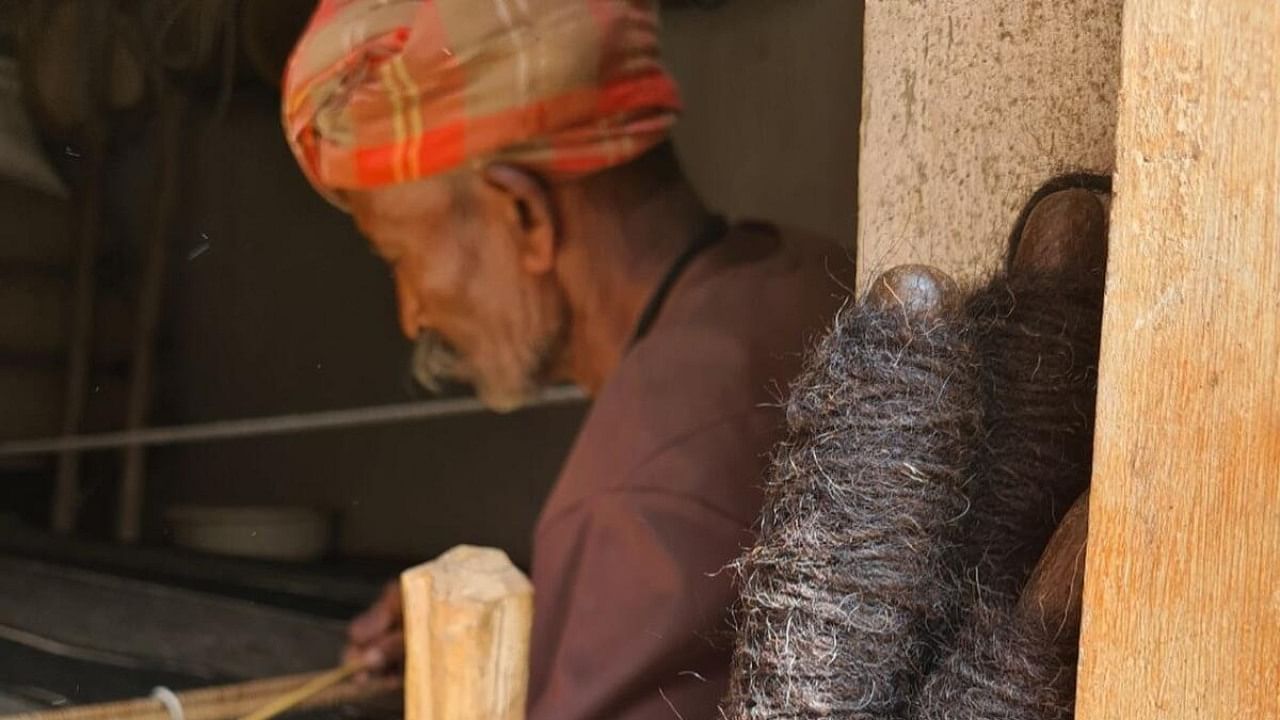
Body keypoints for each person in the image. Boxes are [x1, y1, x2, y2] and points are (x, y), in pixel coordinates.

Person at [281, 1, 853, 718]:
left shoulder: (637, 502)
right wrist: (540, 622)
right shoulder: (801, 275)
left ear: (526, 218)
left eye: (400, 257)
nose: (413, 313)